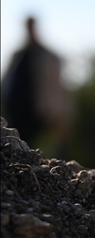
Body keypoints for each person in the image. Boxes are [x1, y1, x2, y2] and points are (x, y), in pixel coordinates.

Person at [0, 16, 71, 151]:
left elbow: (55, 88)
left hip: (36, 111)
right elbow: (6, 80)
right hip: (14, 110)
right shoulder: (18, 54)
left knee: (29, 144)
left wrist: (58, 115)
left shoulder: (47, 56)